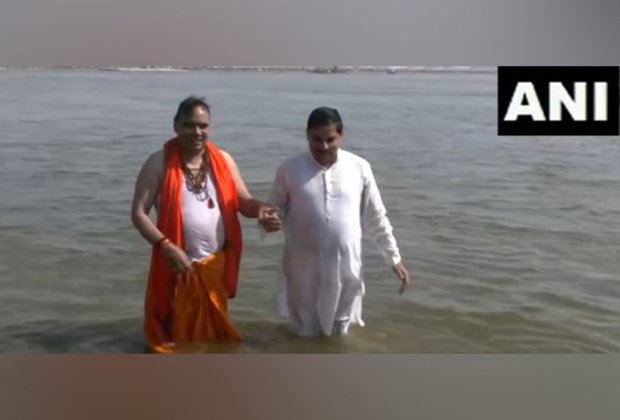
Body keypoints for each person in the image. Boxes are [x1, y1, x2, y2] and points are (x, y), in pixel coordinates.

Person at [131, 96, 281, 353]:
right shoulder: (159, 163)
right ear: (176, 126)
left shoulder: (223, 161)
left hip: (215, 268)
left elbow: (243, 201)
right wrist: (166, 246)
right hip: (178, 267)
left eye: (203, 126)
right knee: (175, 340)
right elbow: (138, 214)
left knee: (214, 340)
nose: (197, 132)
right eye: (190, 125)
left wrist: (262, 210)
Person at [268, 107, 410, 337]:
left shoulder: (360, 168)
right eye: (316, 139)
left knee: (339, 336)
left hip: (346, 270)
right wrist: (269, 220)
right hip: (303, 270)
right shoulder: (289, 169)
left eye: (330, 140)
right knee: (303, 334)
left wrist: (394, 258)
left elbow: (376, 217)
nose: (323, 147)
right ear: (307, 136)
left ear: (341, 136)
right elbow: (273, 209)